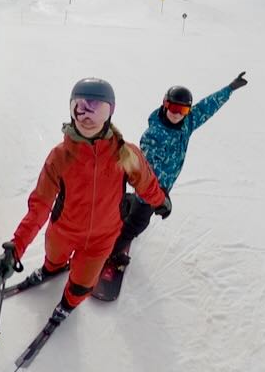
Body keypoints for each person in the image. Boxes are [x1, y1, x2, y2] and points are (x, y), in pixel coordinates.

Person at [0, 78, 167, 323]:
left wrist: (159, 201)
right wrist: (16, 249)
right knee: (54, 257)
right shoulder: (60, 157)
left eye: (97, 109)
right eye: (79, 107)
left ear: (110, 112)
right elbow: (39, 206)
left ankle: (67, 304)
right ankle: (53, 268)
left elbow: (145, 183)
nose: (86, 116)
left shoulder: (125, 154)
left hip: (102, 239)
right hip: (62, 231)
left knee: (83, 284)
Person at [104, 72, 249, 270]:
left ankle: (127, 204)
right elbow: (148, 168)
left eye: (182, 109)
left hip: (158, 188)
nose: (176, 113)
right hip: (150, 189)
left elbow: (207, 106)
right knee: (137, 224)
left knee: (136, 206)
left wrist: (229, 89)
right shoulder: (154, 134)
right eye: (173, 107)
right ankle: (111, 253)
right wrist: (160, 195)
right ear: (165, 104)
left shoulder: (186, 124)